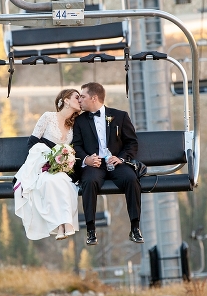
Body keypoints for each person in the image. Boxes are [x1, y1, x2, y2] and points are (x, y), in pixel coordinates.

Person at [72, 82, 143, 246]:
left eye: (82, 96)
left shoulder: (120, 116)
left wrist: (122, 158)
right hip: (94, 165)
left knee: (131, 179)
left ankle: (135, 227)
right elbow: (76, 145)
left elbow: (132, 143)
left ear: (94, 98)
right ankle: (91, 230)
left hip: (116, 163)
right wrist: (86, 159)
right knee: (88, 181)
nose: (80, 100)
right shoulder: (80, 121)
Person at [14, 89, 82, 241]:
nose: (80, 100)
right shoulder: (48, 117)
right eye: (76, 97)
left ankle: (63, 225)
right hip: (42, 165)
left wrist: (65, 160)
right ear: (66, 100)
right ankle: (60, 226)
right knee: (50, 181)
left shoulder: (75, 124)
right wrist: (49, 158)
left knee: (62, 181)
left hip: (62, 168)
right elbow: (32, 143)